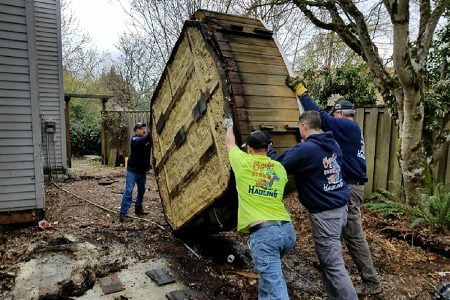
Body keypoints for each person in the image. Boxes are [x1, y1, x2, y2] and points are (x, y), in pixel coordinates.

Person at [286, 77, 381, 296]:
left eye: (334, 114)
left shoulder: (347, 125)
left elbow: (321, 118)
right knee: (339, 237)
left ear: (340, 114)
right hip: (349, 186)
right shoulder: (350, 130)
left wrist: (302, 93)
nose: (332, 118)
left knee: (353, 236)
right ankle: (336, 280)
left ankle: (370, 282)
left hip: (350, 188)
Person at [269, 111, 357, 300]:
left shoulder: (306, 149)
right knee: (328, 261)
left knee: (334, 265)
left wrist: (269, 150)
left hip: (326, 214)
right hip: (340, 209)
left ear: (304, 126)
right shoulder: (332, 143)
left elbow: (277, 166)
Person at [223, 117, 296, 300]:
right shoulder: (279, 168)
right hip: (286, 231)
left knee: (276, 288)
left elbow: (229, 143)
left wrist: (229, 125)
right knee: (268, 281)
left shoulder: (242, 162)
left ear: (248, 148)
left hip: (265, 235)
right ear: (268, 148)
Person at [118, 122, 151, 222]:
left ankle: (138, 208)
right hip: (132, 170)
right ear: (136, 131)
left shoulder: (147, 139)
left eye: (144, 128)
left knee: (142, 190)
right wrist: (151, 132)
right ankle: (123, 214)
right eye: (141, 128)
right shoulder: (135, 139)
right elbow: (142, 141)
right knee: (128, 191)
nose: (144, 130)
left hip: (142, 170)